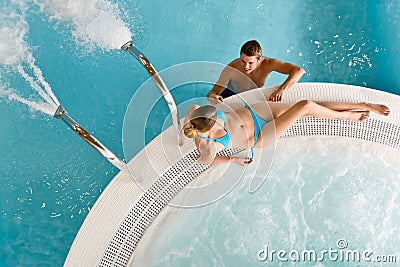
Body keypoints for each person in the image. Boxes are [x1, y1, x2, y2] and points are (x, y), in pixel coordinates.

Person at [183, 100, 390, 165]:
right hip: (260, 135)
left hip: (255, 111)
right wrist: (233, 160)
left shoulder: (195, 113)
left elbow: (191, 106)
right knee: (306, 107)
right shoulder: (207, 144)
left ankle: (363, 105)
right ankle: (346, 116)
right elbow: (204, 160)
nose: (219, 119)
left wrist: (215, 99)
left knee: (309, 105)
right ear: (207, 129)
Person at [207, 40, 305, 104]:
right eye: (243, 61)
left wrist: (282, 89)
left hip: (252, 98)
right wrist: (213, 96)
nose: (246, 66)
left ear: (259, 59)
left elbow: (299, 70)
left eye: (250, 63)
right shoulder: (232, 68)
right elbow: (212, 92)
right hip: (230, 95)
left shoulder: (268, 64)